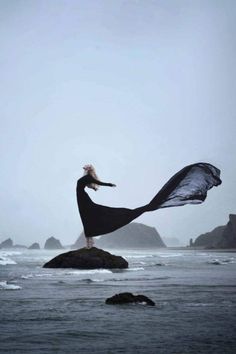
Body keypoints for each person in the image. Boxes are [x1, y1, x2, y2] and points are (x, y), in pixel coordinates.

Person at [76, 163, 221, 248]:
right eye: (86, 169)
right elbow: (92, 185)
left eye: (88, 169)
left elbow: (98, 183)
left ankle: (89, 243)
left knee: (92, 216)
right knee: (88, 217)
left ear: (89, 171)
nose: (86, 170)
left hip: (83, 199)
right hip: (82, 198)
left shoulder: (87, 178)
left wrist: (108, 184)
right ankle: (90, 243)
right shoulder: (85, 178)